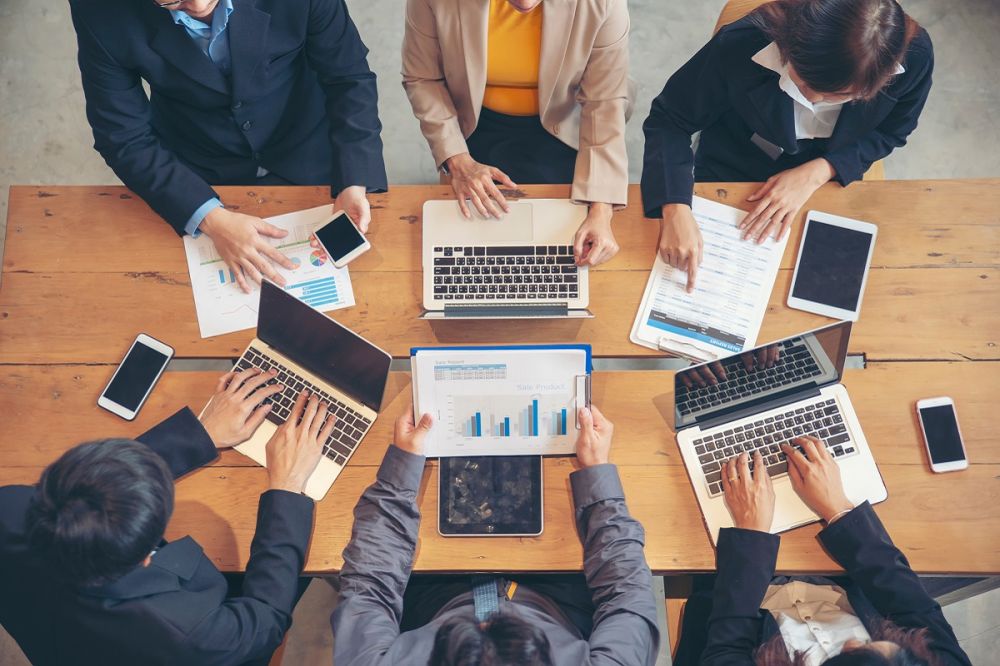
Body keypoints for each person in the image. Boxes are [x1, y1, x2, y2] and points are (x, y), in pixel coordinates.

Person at [0, 368, 334, 665]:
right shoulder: (190, 633)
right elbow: (265, 620)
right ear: (147, 558)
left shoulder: (10, 506)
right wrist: (287, 487)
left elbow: (89, 488)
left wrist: (200, 434)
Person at [69, 0, 387, 293]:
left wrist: (354, 180)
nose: (195, 5)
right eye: (172, 0)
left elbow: (348, 77)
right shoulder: (100, 9)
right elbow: (122, 135)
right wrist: (209, 217)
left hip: (308, 144)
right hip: (197, 165)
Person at [330, 403, 660, 664]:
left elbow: (368, 590)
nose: (485, 622)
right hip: (559, 600)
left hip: (433, 600)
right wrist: (597, 472)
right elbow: (627, 596)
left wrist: (400, 471)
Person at [640, 0, 933, 291]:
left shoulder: (915, 58)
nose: (813, 100)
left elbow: (893, 131)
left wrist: (820, 171)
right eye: (803, 81)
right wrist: (675, 207)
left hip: (831, 174)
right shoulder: (743, 42)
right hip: (734, 158)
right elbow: (670, 120)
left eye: (838, 95)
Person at [671, 436, 971, 666]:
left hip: (737, 589)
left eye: (852, 650)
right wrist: (838, 508)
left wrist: (750, 531)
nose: (854, 639)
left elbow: (726, 648)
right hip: (835, 567)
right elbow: (914, 606)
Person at [402, 0, 633, 267]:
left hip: (564, 124)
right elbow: (423, 78)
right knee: (469, 253)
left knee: (559, 250)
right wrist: (457, 159)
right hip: (474, 122)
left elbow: (604, 103)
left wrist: (602, 209)